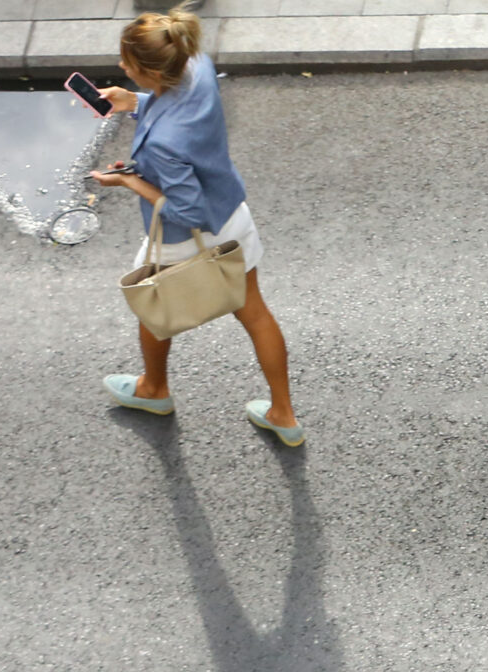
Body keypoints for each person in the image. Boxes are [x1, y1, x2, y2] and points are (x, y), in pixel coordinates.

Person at [90, 9, 301, 446]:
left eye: (129, 63)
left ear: (153, 71)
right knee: (255, 313)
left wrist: (129, 181)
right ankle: (283, 414)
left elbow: (186, 211)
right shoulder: (197, 64)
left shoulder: (164, 144)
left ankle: (153, 389)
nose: (122, 66)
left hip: (184, 238)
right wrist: (133, 101)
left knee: (151, 305)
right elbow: (180, 109)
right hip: (232, 216)